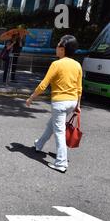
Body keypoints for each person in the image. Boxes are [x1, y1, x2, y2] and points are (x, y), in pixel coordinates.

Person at [26, 35, 82, 173]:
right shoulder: (77, 65)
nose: (56, 48)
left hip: (60, 102)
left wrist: (31, 97)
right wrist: (78, 105)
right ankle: (39, 145)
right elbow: (79, 87)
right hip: (72, 102)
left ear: (63, 49)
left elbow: (44, 84)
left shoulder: (56, 64)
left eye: (58, 46)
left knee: (59, 132)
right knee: (52, 125)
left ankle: (61, 163)